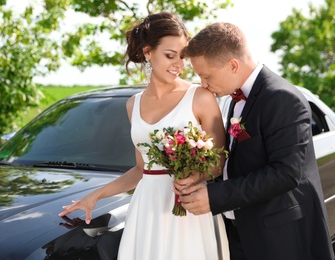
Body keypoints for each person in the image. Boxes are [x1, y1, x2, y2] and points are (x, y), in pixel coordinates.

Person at [59, 12, 228, 260]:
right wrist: (94, 196)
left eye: (183, 57)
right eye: (170, 56)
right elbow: (141, 169)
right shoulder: (133, 105)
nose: (178, 65)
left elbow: (218, 161)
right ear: (148, 52)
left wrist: (193, 176)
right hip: (146, 208)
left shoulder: (200, 97)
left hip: (189, 207)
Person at [175, 22, 335, 260]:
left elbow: (285, 173)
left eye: (205, 75)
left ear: (232, 65)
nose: (203, 84)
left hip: (280, 238)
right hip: (244, 232)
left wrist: (216, 195)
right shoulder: (235, 99)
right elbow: (242, 161)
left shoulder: (281, 98)